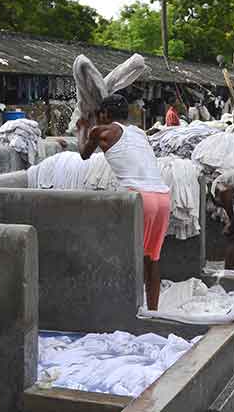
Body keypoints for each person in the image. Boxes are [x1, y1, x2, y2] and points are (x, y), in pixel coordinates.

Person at [78, 94, 171, 311]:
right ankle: (153, 311)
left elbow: (83, 153)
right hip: (162, 196)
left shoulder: (102, 131)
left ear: (105, 114)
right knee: (152, 259)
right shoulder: (139, 132)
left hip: (139, 197)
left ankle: (129, 311)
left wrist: (82, 128)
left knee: (129, 256)